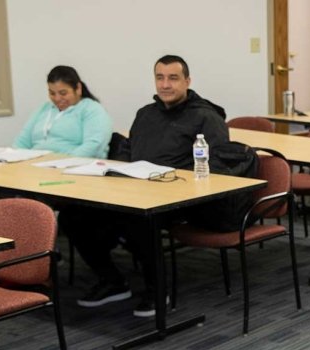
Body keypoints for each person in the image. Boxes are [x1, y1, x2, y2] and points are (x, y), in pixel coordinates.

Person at [60, 55, 239, 317]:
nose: (165, 85)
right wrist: (118, 169)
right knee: (72, 216)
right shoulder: (146, 114)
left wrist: (174, 179)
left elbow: (219, 166)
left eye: (173, 78)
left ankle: (157, 290)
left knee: (140, 221)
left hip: (185, 199)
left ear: (187, 81)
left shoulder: (205, 117)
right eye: (160, 77)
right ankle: (112, 281)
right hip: (138, 190)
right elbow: (127, 150)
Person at [13, 65, 112, 158]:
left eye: (63, 93)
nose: (57, 98)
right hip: (35, 166)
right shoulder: (44, 108)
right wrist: (13, 157)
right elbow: (22, 141)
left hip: (72, 168)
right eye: (52, 93)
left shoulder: (92, 109)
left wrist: (66, 163)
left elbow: (94, 146)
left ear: (78, 88)